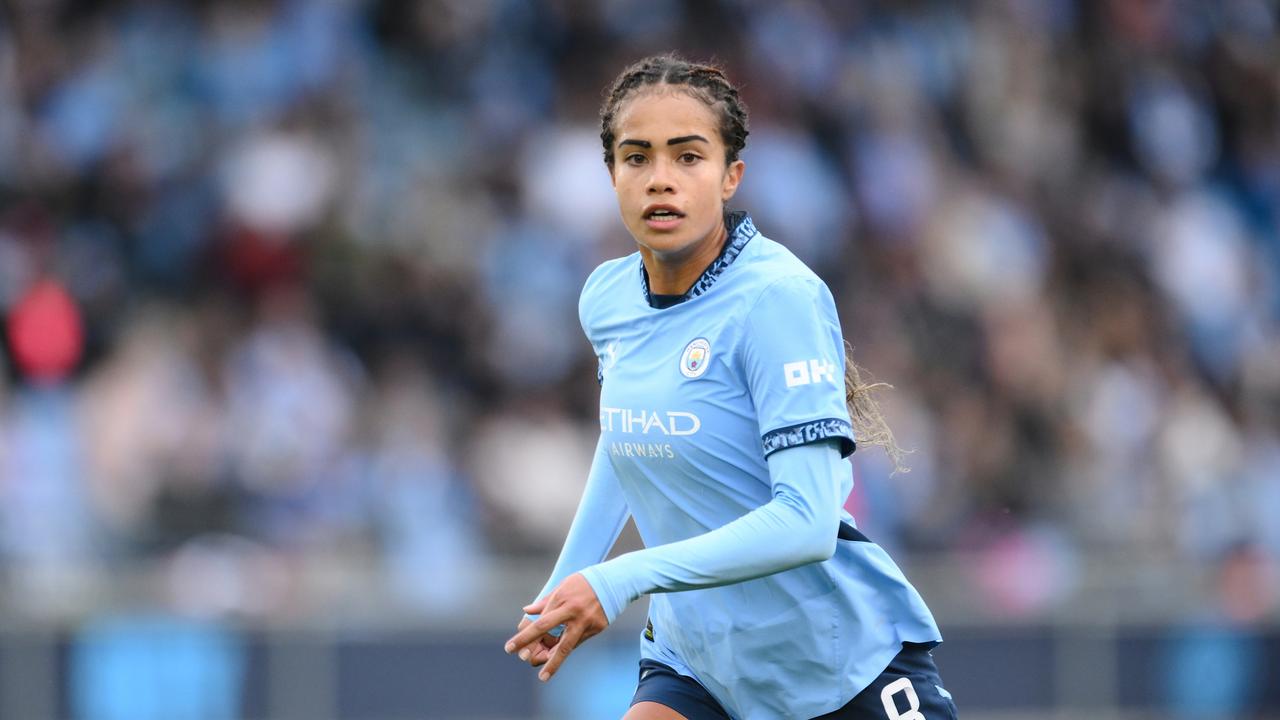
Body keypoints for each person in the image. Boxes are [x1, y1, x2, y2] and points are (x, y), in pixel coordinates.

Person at [505, 54, 956, 720]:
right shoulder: (606, 299)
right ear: (611, 175)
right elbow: (629, 437)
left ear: (730, 177)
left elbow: (805, 524)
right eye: (637, 158)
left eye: (688, 157)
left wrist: (618, 577)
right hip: (701, 668)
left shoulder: (778, 299)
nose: (661, 180)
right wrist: (562, 586)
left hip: (837, 670)